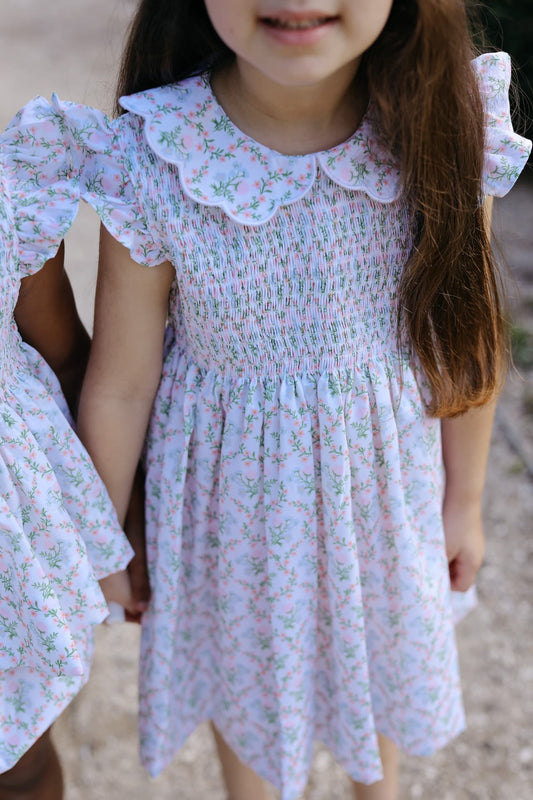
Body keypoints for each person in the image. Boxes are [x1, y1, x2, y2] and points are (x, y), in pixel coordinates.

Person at [61, 1, 530, 798]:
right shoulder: (156, 153)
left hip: (381, 499)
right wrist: (106, 538)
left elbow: (462, 329)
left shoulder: (443, 117)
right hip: (231, 520)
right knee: (250, 704)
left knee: (377, 671)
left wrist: (466, 499)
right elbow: (123, 379)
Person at [0, 98, 137, 799]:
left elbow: (67, 356)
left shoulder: (8, 195)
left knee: (16, 762)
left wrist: (117, 523)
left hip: (7, 554)